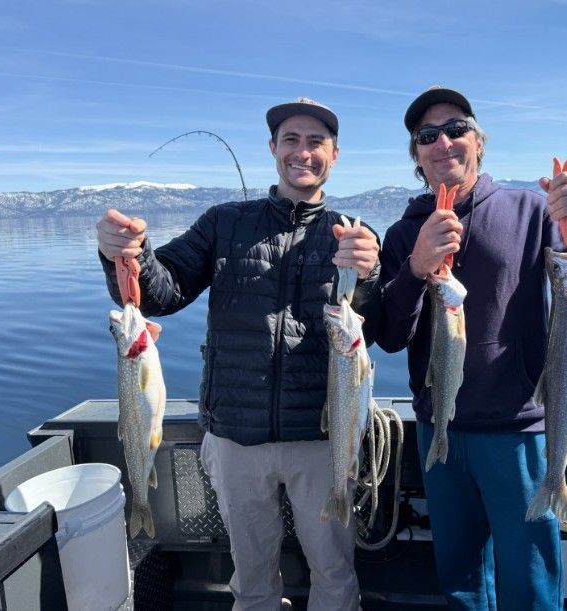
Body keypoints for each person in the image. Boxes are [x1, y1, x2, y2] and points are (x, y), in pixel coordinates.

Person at [96, 97, 380, 611]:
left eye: (316, 141)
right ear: (273, 149)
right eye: (290, 139)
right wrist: (128, 253)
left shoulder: (351, 233)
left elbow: (371, 328)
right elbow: (162, 291)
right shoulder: (223, 223)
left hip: (322, 439)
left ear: (334, 154)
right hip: (235, 438)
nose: (303, 152)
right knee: (250, 577)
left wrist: (370, 276)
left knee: (335, 573)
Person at [376, 86, 567, 610]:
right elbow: (391, 335)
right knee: (461, 579)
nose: (442, 142)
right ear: (417, 156)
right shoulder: (403, 233)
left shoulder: (530, 211)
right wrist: (416, 268)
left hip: (517, 432)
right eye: (427, 136)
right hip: (439, 428)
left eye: (456, 129)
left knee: (530, 578)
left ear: (479, 142)